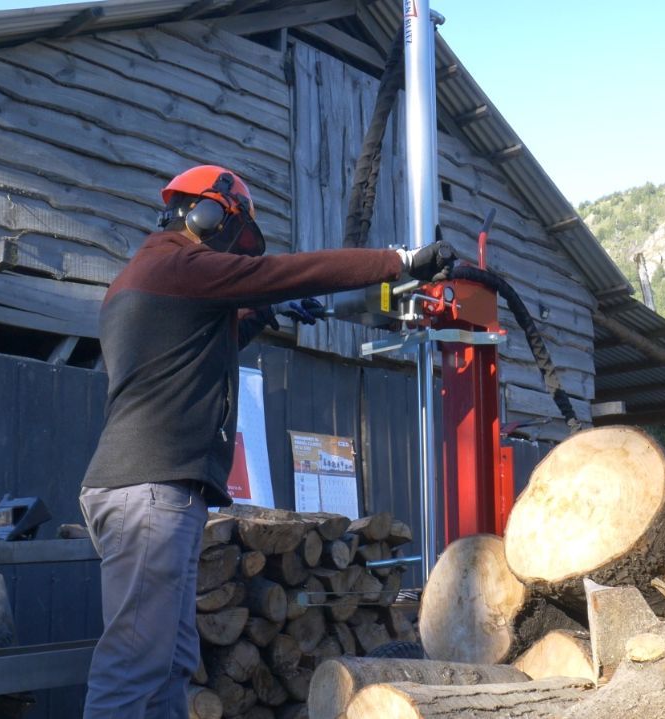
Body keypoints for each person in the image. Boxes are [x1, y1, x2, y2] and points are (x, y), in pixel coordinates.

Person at [79, 164, 455, 717]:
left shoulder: (150, 277)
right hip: (151, 492)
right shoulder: (178, 263)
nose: (239, 253)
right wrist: (396, 262)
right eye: (235, 235)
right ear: (206, 215)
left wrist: (262, 312)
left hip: (151, 490)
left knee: (170, 661)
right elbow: (291, 272)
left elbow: (208, 345)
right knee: (135, 666)